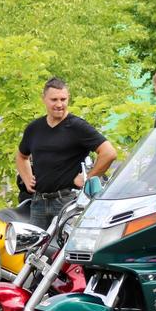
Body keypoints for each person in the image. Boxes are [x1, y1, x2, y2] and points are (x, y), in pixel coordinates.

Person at [16, 78, 117, 228]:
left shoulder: (77, 126)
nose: (59, 104)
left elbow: (109, 153)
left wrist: (88, 178)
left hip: (67, 202)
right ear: (44, 99)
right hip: (38, 203)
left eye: (63, 99)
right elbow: (21, 155)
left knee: (64, 250)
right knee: (35, 250)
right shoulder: (34, 128)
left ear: (68, 98)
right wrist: (26, 177)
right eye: (54, 99)